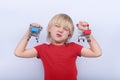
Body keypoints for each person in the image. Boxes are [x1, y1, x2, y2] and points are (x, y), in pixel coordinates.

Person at [14, 13, 102, 80]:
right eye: (57, 26)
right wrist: (29, 32)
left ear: (69, 34)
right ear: (49, 28)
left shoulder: (74, 47)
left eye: (65, 29)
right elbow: (19, 53)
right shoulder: (42, 49)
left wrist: (87, 33)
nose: (60, 30)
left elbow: (96, 53)